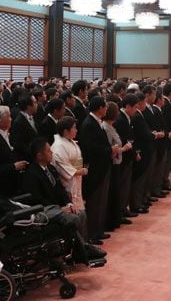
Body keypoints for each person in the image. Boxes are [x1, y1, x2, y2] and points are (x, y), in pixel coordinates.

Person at [77, 96, 114, 243]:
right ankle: (92, 233)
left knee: (101, 200)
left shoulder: (96, 122)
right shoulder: (89, 124)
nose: (107, 109)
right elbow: (90, 147)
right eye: (105, 106)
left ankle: (98, 230)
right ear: (99, 108)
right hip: (95, 167)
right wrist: (109, 149)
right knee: (95, 201)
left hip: (102, 166)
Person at [51, 116, 87, 213]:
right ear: (66, 131)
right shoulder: (58, 147)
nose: (76, 130)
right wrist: (79, 171)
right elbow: (63, 168)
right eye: (74, 128)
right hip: (68, 183)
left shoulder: (70, 142)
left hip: (77, 180)